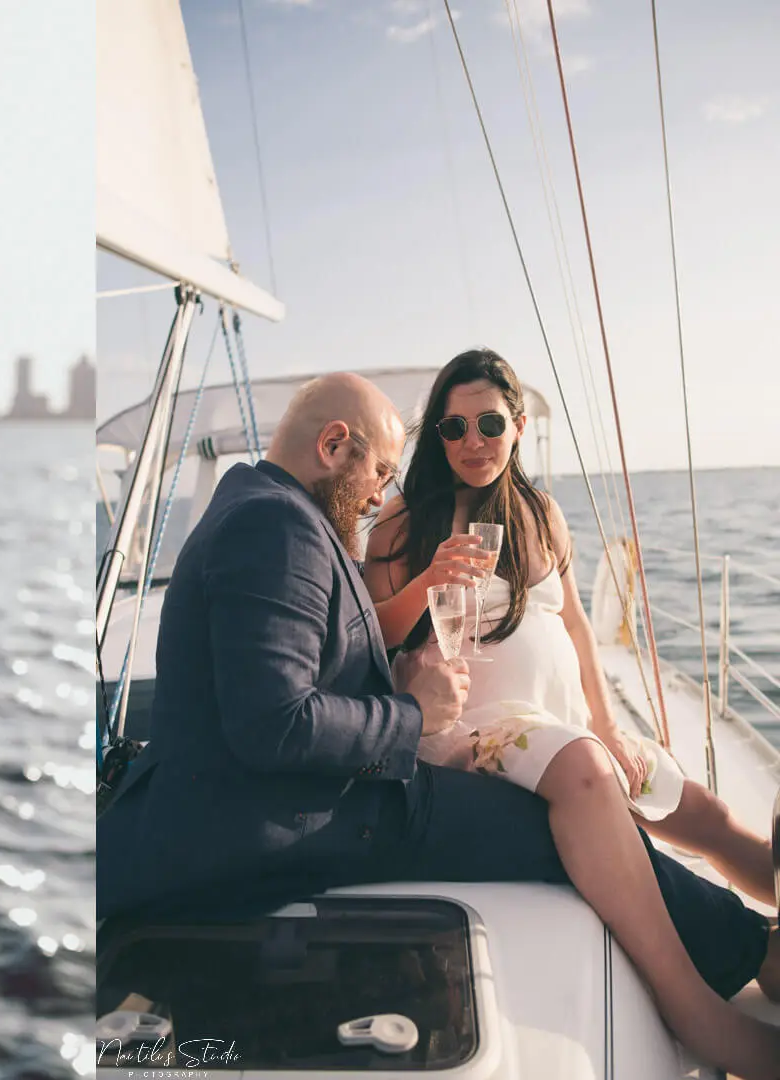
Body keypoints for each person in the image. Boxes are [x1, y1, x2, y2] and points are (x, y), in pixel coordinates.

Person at [96, 372, 780, 1077]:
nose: (378, 494)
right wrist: (412, 712)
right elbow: (273, 725)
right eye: (379, 472)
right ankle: (715, 1003)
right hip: (298, 820)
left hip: (318, 793)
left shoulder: (269, 514)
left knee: (586, 817)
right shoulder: (274, 527)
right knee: (559, 824)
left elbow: (294, 690)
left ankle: (752, 949)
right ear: (335, 445)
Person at [365, 347, 774, 904]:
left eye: (489, 424)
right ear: (438, 435)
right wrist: (427, 579)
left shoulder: (541, 514)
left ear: (518, 426)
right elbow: (374, 637)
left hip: (569, 724)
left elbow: (578, 627)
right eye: (454, 427)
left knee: (706, 815)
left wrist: (606, 726)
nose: (473, 442)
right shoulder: (403, 521)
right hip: (488, 736)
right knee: (638, 844)